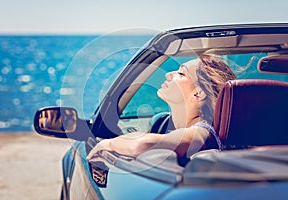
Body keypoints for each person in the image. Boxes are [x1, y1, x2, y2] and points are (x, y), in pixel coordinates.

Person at [87, 54, 237, 164]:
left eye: (181, 73)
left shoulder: (203, 132)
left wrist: (108, 144)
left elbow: (142, 144)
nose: (168, 74)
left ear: (198, 93)